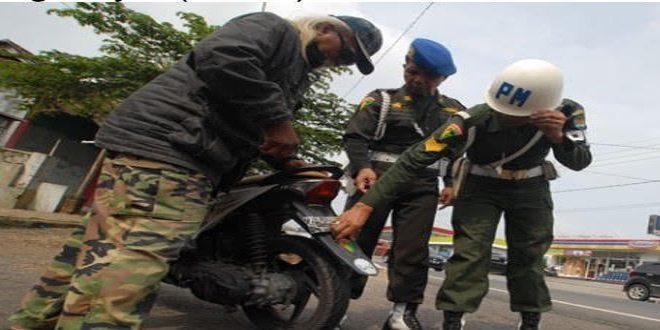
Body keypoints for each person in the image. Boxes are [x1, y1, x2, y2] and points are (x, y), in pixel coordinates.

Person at [8, 12, 382, 330]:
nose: (345, 61)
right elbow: (222, 56)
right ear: (324, 29)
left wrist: (285, 161)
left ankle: (32, 321)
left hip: (175, 156)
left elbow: (248, 123)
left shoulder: (294, 71)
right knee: (134, 264)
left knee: (93, 251)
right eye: (348, 50)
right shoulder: (274, 29)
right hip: (169, 153)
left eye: (353, 61)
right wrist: (277, 120)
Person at [333, 59, 592, 330]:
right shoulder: (470, 119)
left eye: (513, 115)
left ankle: (530, 320)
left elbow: (581, 160)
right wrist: (365, 206)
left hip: (531, 188)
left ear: (540, 109)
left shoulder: (567, 113)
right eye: (499, 109)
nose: (502, 116)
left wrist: (559, 138)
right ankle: (453, 320)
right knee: (469, 254)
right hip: (479, 187)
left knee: (529, 256)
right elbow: (413, 159)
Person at [342, 38, 465, 330]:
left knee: (412, 249)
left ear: (443, 78)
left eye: (428, 76)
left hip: (421, 185)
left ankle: (402, 312)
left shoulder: (452, 111)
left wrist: (450, 182)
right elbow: (356, 137)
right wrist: (362, 167)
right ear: (405, 67)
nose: (418, 80)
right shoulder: (381, 100)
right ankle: (338, 302)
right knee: (354, 242)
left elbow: (455, 151)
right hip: (374, 179)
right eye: (413, 71)